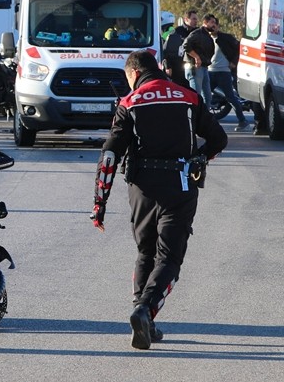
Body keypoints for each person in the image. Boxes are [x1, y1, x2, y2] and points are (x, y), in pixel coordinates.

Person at [91, 50, 228, 350]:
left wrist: (99, 204)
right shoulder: (188, 97)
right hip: (179, 184)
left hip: (141, 188)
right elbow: (219, 139)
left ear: (134, 73)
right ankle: (145, 312)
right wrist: (200, 159)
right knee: (169, 258)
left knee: (145, 252)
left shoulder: (130, 103)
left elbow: (110, 154)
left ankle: (144, 320)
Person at [203, 14, 250, 131]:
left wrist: (234, 62)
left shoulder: (226, 38)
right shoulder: (203, 38)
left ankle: (243, 121)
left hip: (224, 72)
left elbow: (240, 48)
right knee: (206, 97)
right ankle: (203, 122)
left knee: (230, 97)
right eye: (209, 23)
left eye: (214, 23)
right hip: (209, 71)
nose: (212, 25)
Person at [182, 11, 215, 107]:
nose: (214, 25)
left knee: (208, 97)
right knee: (196, 97)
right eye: (212, 22)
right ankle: (195, 120)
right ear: (205, 22)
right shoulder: (197, 33)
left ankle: (205, 120)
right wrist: (197, 58)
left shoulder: (207, 35)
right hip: (195, 68)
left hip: (204, 68)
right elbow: (186, 45)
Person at [161, 12, 190, 87]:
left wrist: (167, 66)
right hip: (180, 66)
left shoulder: (166, 36)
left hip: (172, 68)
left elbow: (166, 52)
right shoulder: (176, 33)